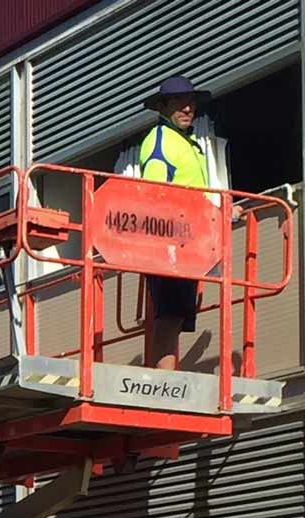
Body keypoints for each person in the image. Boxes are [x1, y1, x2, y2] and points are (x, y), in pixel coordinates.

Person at [135, 75, 215, 370]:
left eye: (191, 102)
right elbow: (155, 195)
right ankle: (163, 382)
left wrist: (216, 214)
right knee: (169, 315)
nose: (187, 108)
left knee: (177, 315)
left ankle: (166, 379)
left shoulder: (187, 142)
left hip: (186, 242)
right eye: (179, 102)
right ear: (163, 107)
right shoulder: (160, 140)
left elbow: (192, 193)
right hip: (168, 243)